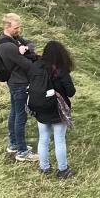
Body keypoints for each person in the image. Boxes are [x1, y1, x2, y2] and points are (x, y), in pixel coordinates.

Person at [0, 13, 40, 162]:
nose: (19, 30)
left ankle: (13, 144)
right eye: (16, 27)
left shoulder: (12, 39)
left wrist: (25, 48)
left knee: (14, 113)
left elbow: (31, 43)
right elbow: (27, 64)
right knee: (20, 117)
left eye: (20, 27)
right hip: (19, 84)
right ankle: (22, 151)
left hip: (15, 83)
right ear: (7, 27)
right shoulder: (8, 46)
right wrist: (27, 52)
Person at [31, 40, 77, 180]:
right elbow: (71, 92)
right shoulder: (60, 70)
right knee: (59, 140)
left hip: (41, 107)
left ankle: (44, 167)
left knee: (43, 138)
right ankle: (62, 170)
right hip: (58, 109)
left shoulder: (36, 67)